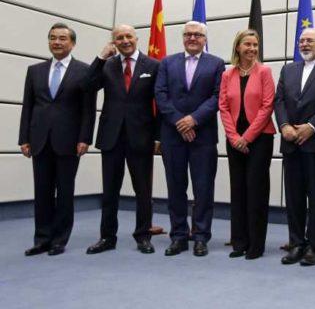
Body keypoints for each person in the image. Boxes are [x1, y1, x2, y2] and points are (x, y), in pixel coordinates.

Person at [19, 22, 96, 256]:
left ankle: (59, 240)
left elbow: (88, 109)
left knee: (64, 191)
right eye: (53, 38)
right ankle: (42, 239)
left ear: (72, 43)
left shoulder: (84, 71)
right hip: (39, 138)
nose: (57, 42)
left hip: (69, 140)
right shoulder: (35, 70)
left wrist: (85, 138)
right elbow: (28, 106)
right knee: (41, 191)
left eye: (63, 38)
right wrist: (24, 138)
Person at [84, 25, 161, 255]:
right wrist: (99, 57)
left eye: (128, 36)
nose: (125, 40)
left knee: (143, 191)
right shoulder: (107, 65)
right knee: (110, 191)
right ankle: (107, 237)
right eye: (119, 38)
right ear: (114, 42)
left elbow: (161, 105)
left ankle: (143, 236)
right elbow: (87, 86)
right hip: (111, 137)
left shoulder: (154, 66)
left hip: (142, 137)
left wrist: (158, 137)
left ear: (137, 38)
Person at [155, 21, 225, 257]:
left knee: (203, 189)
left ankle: (201, 236)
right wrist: (180, 121)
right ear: (183, 37)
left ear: (205, 39)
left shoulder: (216, 64)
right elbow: (160, 94)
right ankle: (178, 236)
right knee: (176, 188)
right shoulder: (167, 62)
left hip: (203, 136)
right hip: (172, 135)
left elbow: (217, 97)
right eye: (188, 34)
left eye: (198, 35)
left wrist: (193, 119)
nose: (193, 38)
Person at [275, 28, 315, 266]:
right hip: (291, 143)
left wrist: (311, 127)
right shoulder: (288, 69)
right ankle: (296, 244)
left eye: (309, 41)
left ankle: (314, 246)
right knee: (293, 198)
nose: (304, 44)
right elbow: (279, 100)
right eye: (301, 41)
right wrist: (284, 126)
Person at [219, 29, 276, 260]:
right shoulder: (227, 75)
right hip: (234, 140)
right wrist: (234, 137)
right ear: (238, 47)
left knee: (256, 191)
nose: (252, 49)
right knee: (238, 190)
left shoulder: (265, 72)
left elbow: (267, 106)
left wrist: (247, 137)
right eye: (247, 45)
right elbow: (223, 106)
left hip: (260, 139)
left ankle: (256, 245)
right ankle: (239, 241)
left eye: (255, 45)